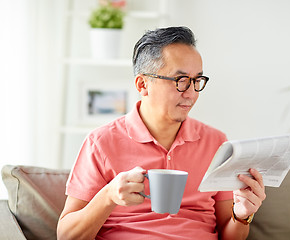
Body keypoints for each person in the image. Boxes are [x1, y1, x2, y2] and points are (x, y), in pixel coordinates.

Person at [57, 26, 266, 240]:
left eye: (197, 81)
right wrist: (108, 196)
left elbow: (229, 236)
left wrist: (242, 216)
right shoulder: (100, 142)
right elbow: (66, 236)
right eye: (181, 80)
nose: (192, 93)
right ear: (143, 84)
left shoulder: (216, 143)